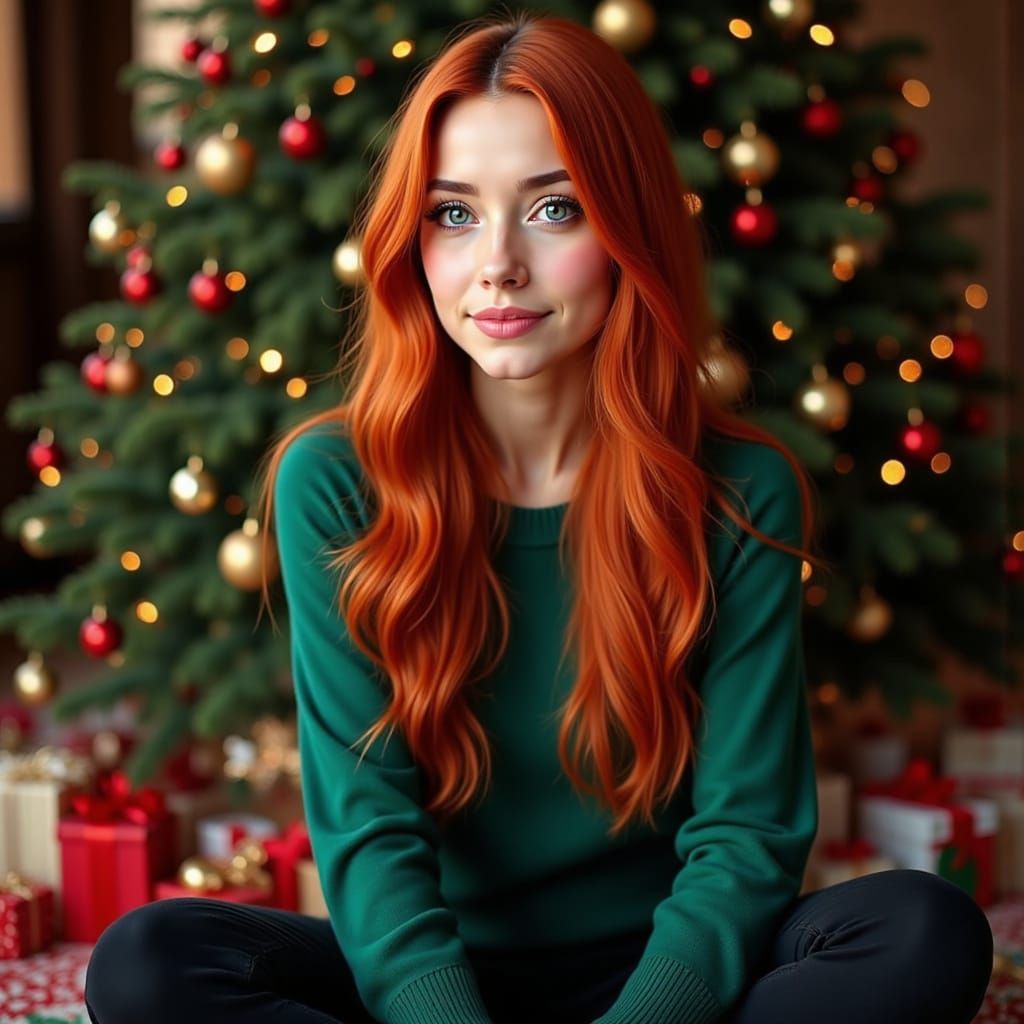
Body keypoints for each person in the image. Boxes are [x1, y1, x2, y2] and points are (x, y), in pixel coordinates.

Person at [84, 9, 994, 1024]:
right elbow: (368, 832)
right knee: (148, 961)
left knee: (925, 930)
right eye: (453, 213)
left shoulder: (740, 490)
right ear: (410, 238)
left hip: (666, 976)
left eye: (554, 210)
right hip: (432, 982)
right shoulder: (334, 480)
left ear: (625, 228)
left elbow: (748, 835)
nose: (498, 265)